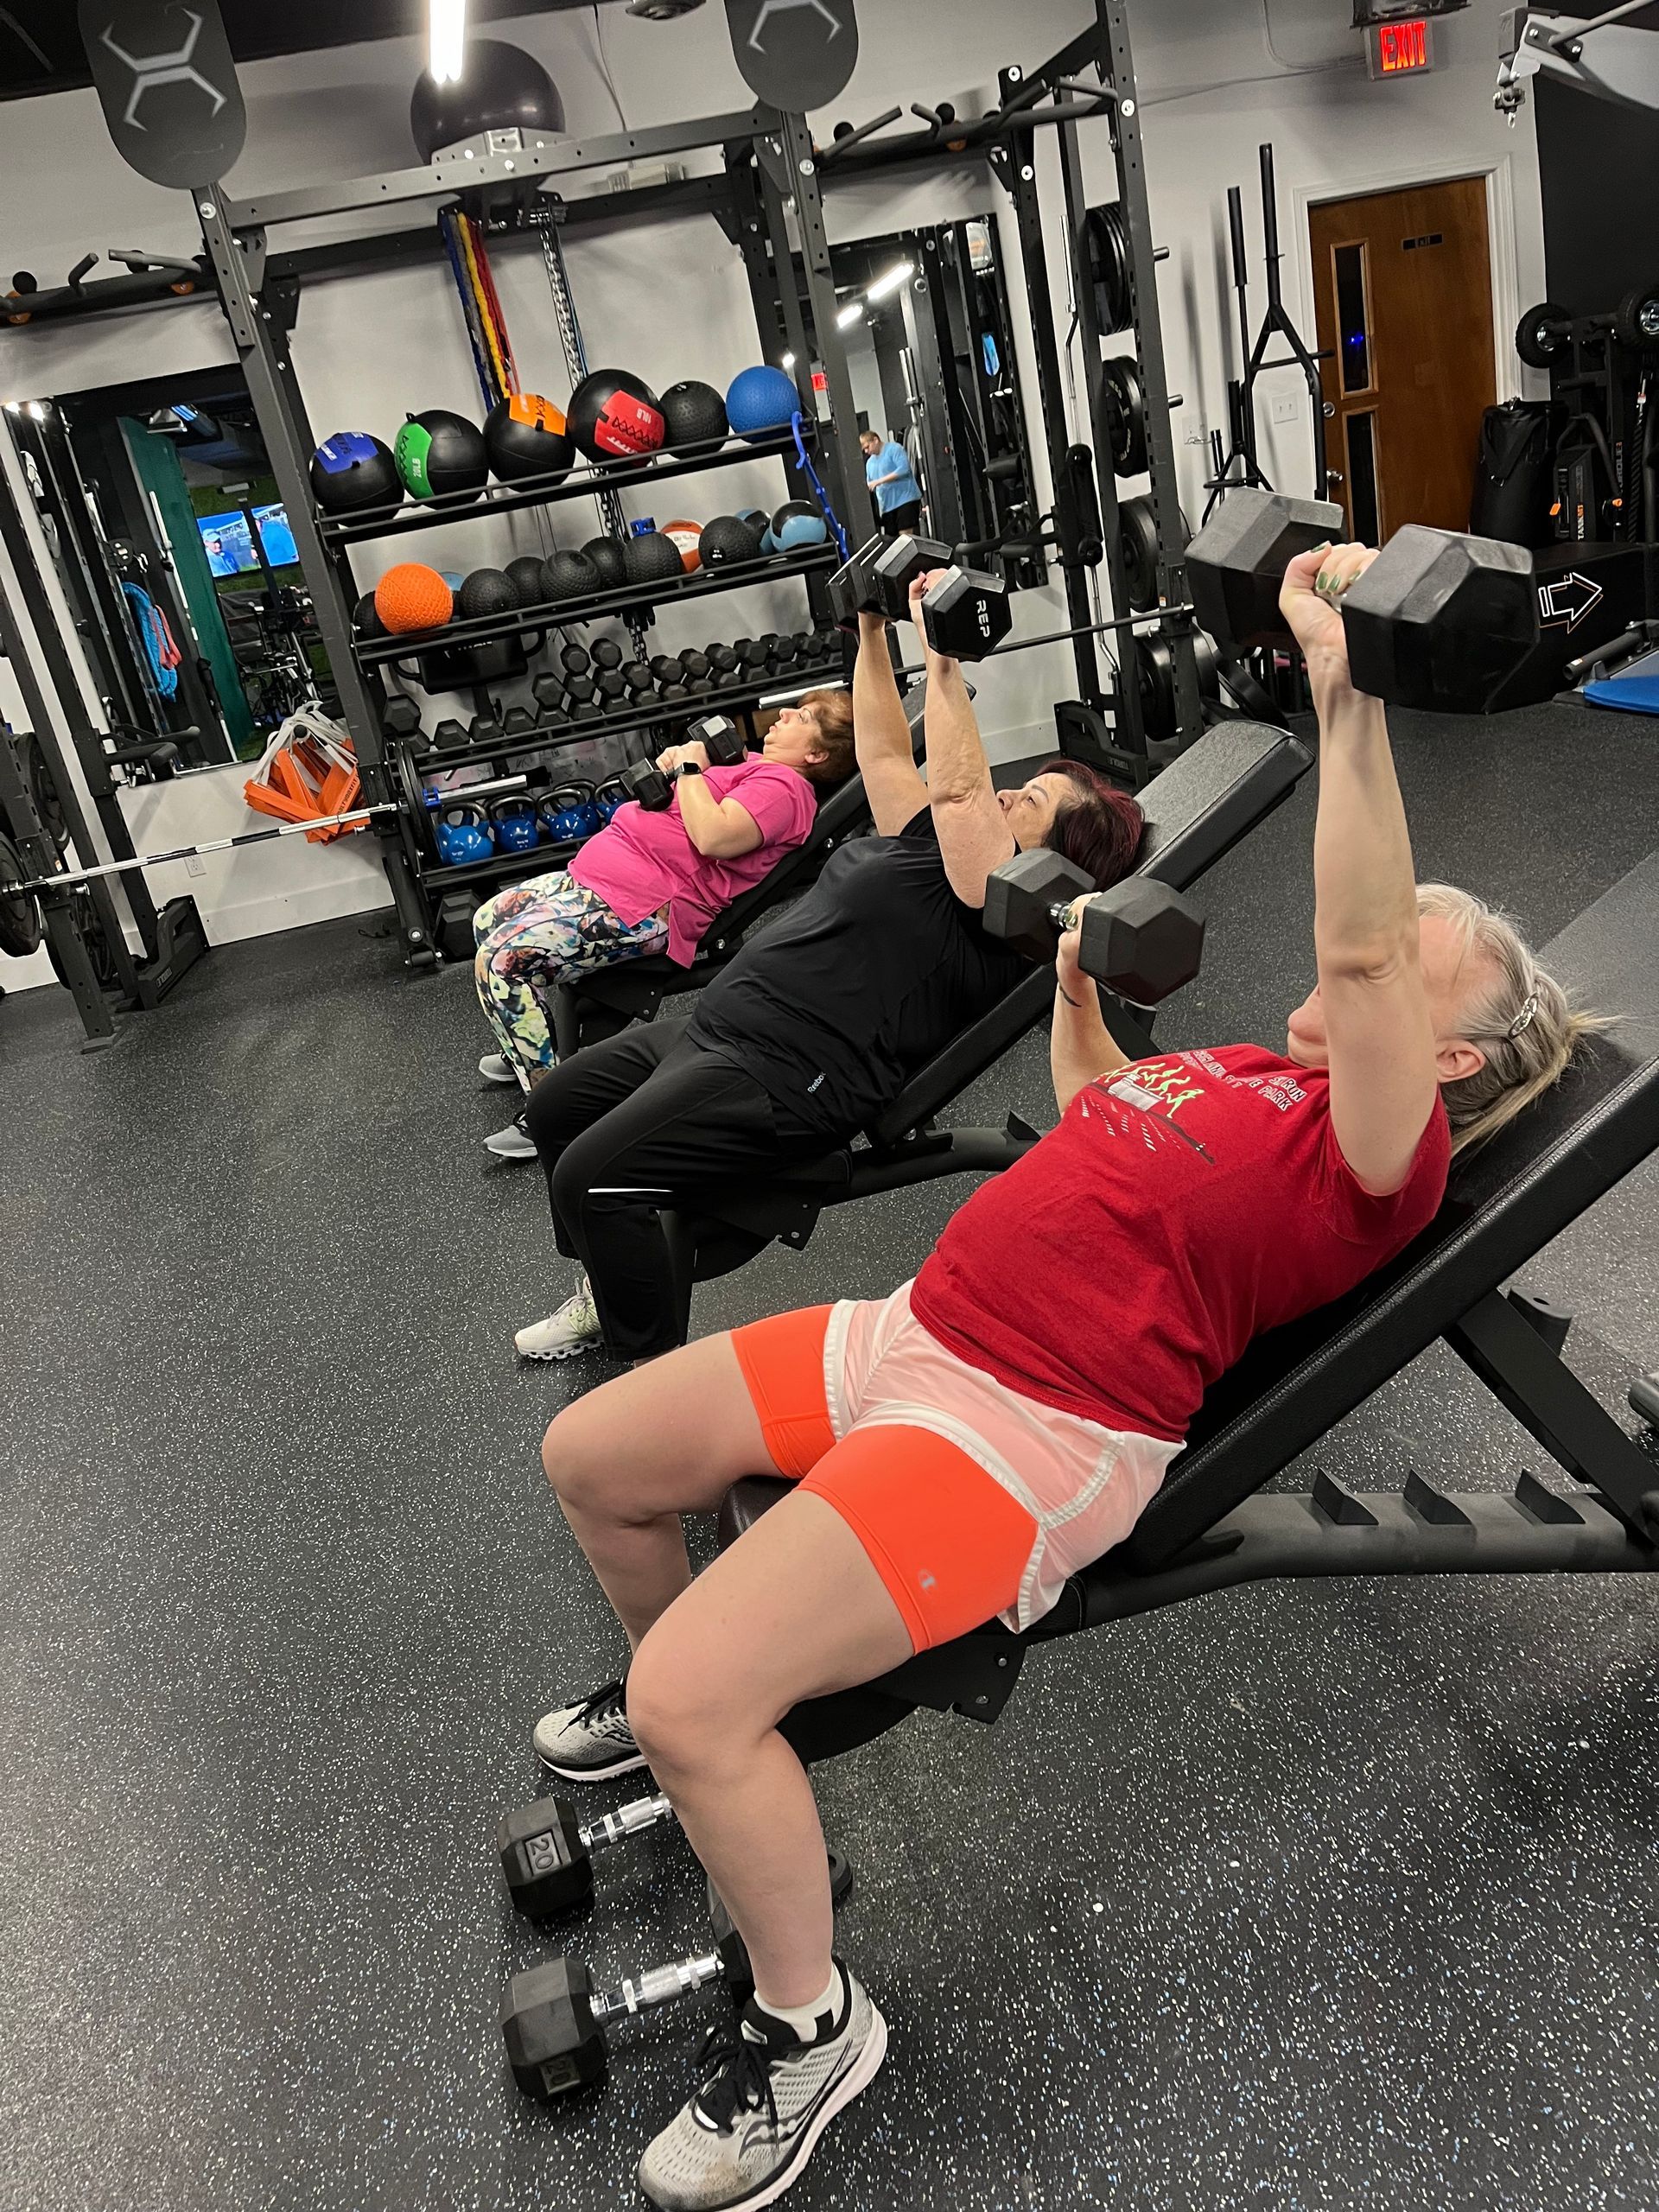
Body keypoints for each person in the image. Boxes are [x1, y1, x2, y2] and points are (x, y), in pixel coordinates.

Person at [528, 538, 1604, 2209]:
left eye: (1411, 955)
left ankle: (810, 2022)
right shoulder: (1255, 1067)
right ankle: (726, 1729)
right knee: (596, 1457)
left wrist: (1347, 688)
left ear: (1446, 1052)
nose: (1370, 957)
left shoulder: (1378, 1152)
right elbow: (1109, 1098)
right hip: (920, 1333)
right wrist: (1075, 988)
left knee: (683, 1699)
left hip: (1029, 1428)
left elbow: (1372, 948)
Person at [512, 581, 1144, 1357]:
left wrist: (943, 662)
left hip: (788, 1075)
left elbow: (959, 786)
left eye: (1033, 801)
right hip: (723, 1026)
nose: (1008, 792)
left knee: (592, 1182)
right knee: (555, 1112)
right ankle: (611, 1287)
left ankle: (645, 1375)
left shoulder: (999, 914)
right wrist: (872, 631)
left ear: (1055, 861)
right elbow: (881, 751)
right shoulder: (930, 849)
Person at [474, 694, 855, 1159]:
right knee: (486, 919)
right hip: (603, 877)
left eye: (804, 717)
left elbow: (714, 837)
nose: (784, 714)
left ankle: (550, 1110)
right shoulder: (749, 763)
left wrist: (691, 771)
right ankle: (529, 1047)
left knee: (501, 963)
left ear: (817, 754)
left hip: (643, 904)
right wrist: (679, 766)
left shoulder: (786, 789)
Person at [860, 426, 923, 535]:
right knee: (892, 542)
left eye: (867, 447)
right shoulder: (870, 463)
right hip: (888, 506)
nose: (866, 451)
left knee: (906, 538)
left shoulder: (894, 449)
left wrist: (879, 481)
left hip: (905, 499)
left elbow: (904, 469)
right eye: (864, 449)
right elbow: (870, 484)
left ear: (875, 440)